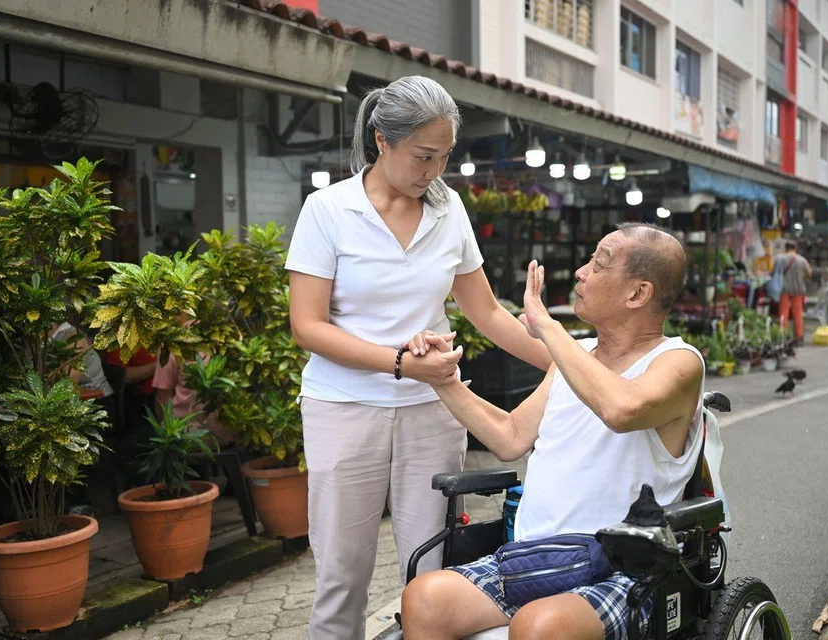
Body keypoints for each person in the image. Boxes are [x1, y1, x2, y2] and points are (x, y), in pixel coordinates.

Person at [286, 75, 551, 639]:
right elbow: (307, 326)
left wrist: (568, 362)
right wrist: (401, 365)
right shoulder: (327, 210)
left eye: (445, 156)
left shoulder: (448, 208)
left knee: (434, 569)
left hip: (433, 410)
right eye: (423, 156)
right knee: (341, 573)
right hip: (344, 408)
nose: (434, 171)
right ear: (382, 141)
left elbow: (487, 313)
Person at [401, 223, 705, 640]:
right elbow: (509, 437)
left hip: (626, 568)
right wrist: (443, 380)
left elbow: (621, 408)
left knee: (537, 625)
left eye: (598, 264)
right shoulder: (574, 358)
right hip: (537, 559)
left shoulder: (679, 362)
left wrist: (547, 326)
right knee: (424, 598)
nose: (581, 272)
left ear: (638, 294)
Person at [775, 240, 812, 345]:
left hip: (785, 290)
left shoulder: (780, 259)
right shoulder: (802, 260)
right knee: (798, 313)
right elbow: (809, 273)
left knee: (783, 314)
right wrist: (801, 278)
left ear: (786, 248)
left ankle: (785, 337)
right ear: (796, 248)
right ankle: (799, 337)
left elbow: (773, 273)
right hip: (799, 289)